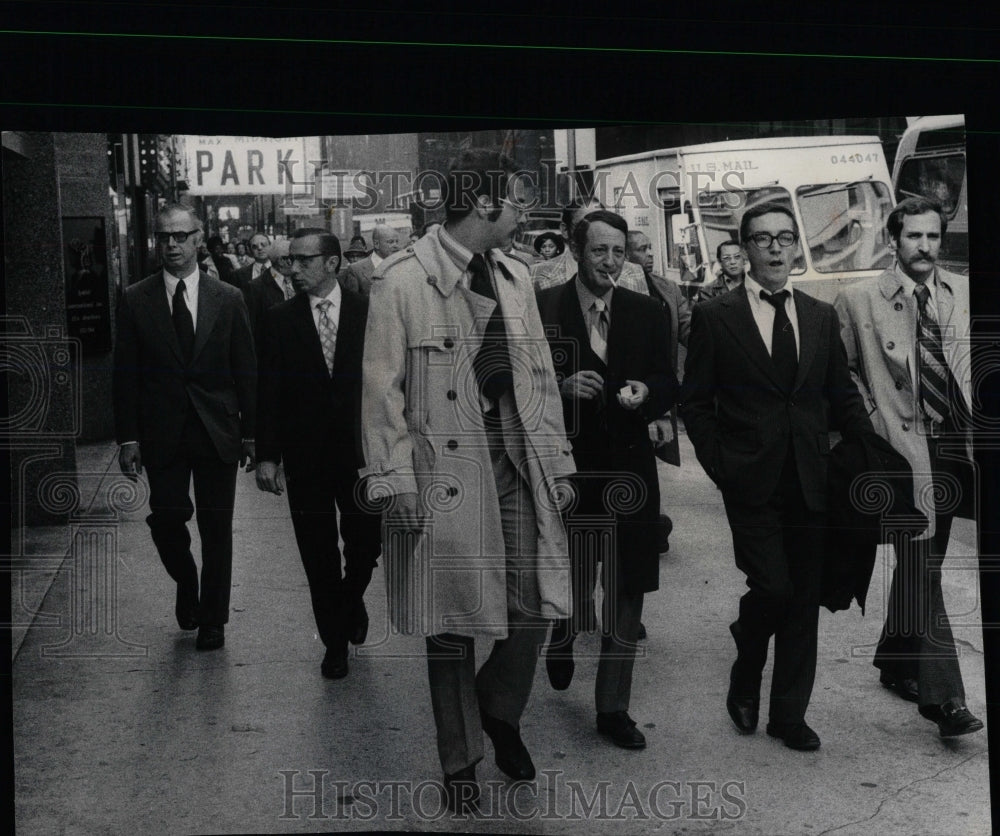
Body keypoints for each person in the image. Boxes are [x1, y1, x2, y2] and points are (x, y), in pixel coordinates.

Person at [360, 149, 575, 812]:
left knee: (538, 597)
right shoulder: (400, 282)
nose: (523, 216)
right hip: (444, 472)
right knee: (449, 622)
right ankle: (460, 761)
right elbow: (379, 392)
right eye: (515, 202)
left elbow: (538, 375)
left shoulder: (514, 275)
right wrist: (393, 482)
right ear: (483, 204)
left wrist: (559, 460)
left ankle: (498, 705)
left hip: (515, 456)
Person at [680, 202, 872, 752]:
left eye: (785, 237)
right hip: (750, 481)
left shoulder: (818, 314)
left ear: (796, 246)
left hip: (813, 480)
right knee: (773, 586)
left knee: (803, 596)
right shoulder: (717, 317)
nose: (774, 248)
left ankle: (789, 715)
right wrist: (721, 467)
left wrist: (867, 452)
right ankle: (747, 660)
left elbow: (842, 394)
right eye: (762, 239)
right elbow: (695, 403)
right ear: (743, 249)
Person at [833, 197, 982, 739]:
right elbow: (839, 373)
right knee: (921, 564)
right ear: (894, 240)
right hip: (899, 453)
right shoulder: (857, 300)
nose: (925, 247)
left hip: (956, 446)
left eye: (934, 237)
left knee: (929, 563)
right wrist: (873, 422)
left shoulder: (962, 293)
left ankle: (895, 659)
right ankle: (945, 700)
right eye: (914, 237)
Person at [537, 211, 677, 749]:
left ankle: (614, 708)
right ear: (576, 250)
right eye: (599, 251)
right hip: (568, 469)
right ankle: (564, 631)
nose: (611, 262)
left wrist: (649, 393)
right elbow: (518, 383)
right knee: (572, 571)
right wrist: (560, 387)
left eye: (619, 251)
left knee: (627, 585)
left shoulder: (645, 311)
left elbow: (668, 380)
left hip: (630, 471)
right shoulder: (545, 309)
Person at [112, 204, 257, 651]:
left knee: (217, 528)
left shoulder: (227, 297)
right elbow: (125, 373)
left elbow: (246, 369)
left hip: (216, 430)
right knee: (167, 519)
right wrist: (129, 437)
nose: (171, 245)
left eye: (180, 236)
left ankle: (213, 619)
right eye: (163, 237)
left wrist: (252, 433)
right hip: (162, 432)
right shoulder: (136, 298)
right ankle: (186, 578)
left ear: (199, 238)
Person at [256, 228, 381, 680]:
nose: (294, 269)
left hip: (362, 453)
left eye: (304, 261)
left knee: (367, 543)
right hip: (305, 455)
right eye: (290, 261)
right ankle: (334, 643)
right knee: (317, 551)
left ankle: (350, 601)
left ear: (332, 263)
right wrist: (267, 455)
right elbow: (266, 391)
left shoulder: (370, 314)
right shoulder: (278, 319)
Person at [626, 229, 691, 555]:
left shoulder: (667, 287)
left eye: (650, 247)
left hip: (661, 387)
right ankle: (649, 523)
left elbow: (688, 326)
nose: (649, 254)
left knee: (653, 458)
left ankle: (650, 522)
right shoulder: (622, 287)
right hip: (633, 389)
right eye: (640, 249)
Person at [530, 197, 649, 295]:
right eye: (583, 225)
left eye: (601, 224)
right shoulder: (537, 274)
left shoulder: (634, 273)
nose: (594, 232)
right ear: (565, 230)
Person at [243, 238, 295, 345]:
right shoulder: (255, 288)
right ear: (281, 260)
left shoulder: (299, 281)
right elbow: (251, 328)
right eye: (294, 258)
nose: (297, 263)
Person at [340, 223, 400, 297]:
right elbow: (352, 304)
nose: (396, 246)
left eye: (397, 242)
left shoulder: (401, 266)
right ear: (376, 244)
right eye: (390, 242)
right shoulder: (356, 270)